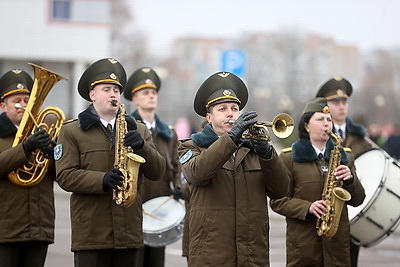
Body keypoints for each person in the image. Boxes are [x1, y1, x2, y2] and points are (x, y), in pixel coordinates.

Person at [55, 58, 166, 267]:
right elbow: (65, 176)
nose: (114, 94)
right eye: (107, 89)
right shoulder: (71, 130)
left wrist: (143, 146)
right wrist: (102, 179)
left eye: (116, 90)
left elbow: (158, 171)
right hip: (91, 234)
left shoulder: (139, 129)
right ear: (92, 95)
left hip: (129, 233)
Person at [178, 71, 289, 266]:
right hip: (211, 256)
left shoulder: (254, 147)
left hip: (253, 255)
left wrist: (267, 154)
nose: (230, 113)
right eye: (222, 109)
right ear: (209, 117)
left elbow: (281, 190)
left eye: (235, 108)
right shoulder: (191, 146)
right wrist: (232, 139)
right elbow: (197, 173)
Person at [270, 97, 366, 267]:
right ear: (306, 125)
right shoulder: (288, 158)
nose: (326, 124)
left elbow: (358, 199)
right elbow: (278, 201)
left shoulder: (346, 156)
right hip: (303, 249)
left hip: (337, 249)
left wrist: (350, 179)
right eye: (320, 119)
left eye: (329, 120)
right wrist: (308, 207)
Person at [123, 67, 181, 267]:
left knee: (156, 262)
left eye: (154, 93)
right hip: (133, 209)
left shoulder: (169, 133)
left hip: (159, 209)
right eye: (145, 93)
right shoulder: (125, 128)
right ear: (135, 99)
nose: (151, 96)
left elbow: (176, 165)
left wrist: (180, 187)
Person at [0, 69, 55, 267]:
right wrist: (25, 148)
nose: (23, 105)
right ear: (3, 106)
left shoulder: (43, 133)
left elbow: (63, 177)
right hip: (5, 230)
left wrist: (54, 156)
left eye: (27, 100)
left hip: (39, 228)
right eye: (17, 100)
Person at [315, 77, 373, 267]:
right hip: (323, 211)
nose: (341, 107)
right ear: (325, 105)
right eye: (335, 102)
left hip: (353, 209)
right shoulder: (313, 133)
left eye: (344, 102)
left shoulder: (362, 138)